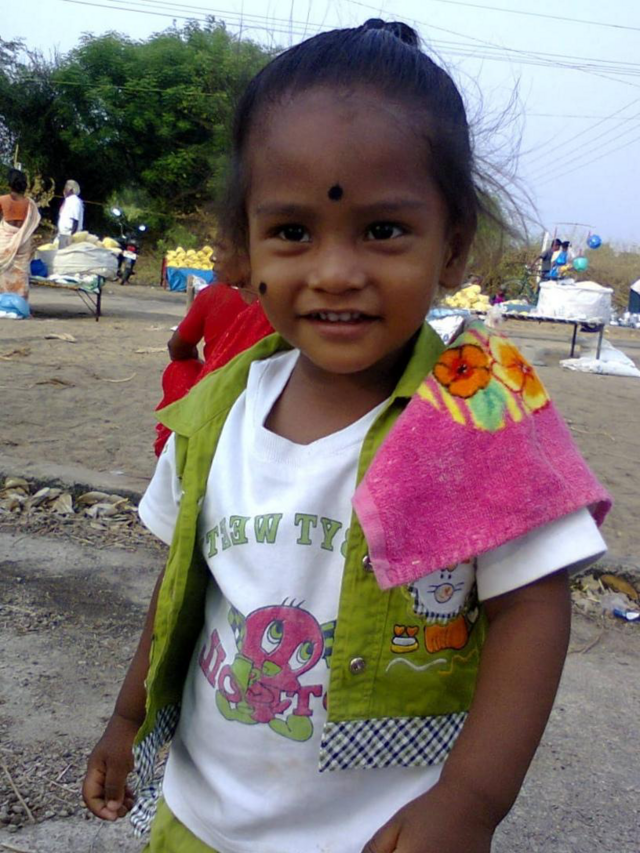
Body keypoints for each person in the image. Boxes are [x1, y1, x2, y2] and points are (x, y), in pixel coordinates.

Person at [83, 20, 611, 853]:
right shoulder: (215, 411)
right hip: (198, 818)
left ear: (453, 247)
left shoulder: (478, 408)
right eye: (293, 232)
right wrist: (127, 716)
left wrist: (471, 801)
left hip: (378, 833)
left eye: (383, 230)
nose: (335, 272)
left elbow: (531, 612)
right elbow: (183, 584)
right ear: (241, 249)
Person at [153, 243, 273, 456]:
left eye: (222, 249)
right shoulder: (280, 304)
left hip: (222, 403)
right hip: (262, 401)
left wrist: (205, 366)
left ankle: (176, 444)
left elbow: (177, 349)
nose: (213, 257)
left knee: (179, 369)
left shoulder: (214, 295)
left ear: (248, 257)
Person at [0, 168, 41, 300]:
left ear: (9, 183)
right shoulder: (30, 204)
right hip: (23, 243)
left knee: (2, 274)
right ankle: (19, 302)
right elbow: (33, 224)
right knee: (20, 273)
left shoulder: (2, 200)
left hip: (4, 242)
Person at [57, 179, 84, 249]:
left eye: (65, 188)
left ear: (70, 189)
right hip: (63, 234)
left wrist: (71, 237)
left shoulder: (74, 201)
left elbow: (75, 221)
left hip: (69, 235)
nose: (64, 190)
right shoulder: (68, 200)